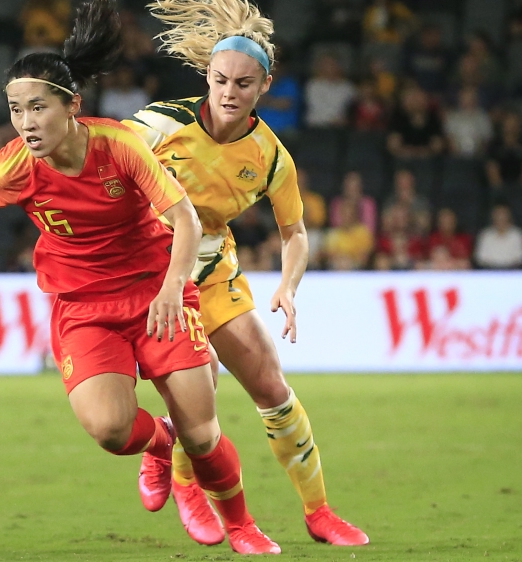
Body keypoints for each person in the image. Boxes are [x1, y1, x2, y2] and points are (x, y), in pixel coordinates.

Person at [0, 0, 277, 554]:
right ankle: (159, 447)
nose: (27, 123)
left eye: (38, 108)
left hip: (157, 293)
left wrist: (175, 287)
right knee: (109, 430)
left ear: (71, 105)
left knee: (203, 433)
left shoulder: (120, 147)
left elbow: (182, 218)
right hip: (83, 306)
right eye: (15, 110)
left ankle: (243, 527)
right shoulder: (16, 164)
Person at [125, 0, 369, 547]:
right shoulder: (160, 124)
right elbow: (105, 165)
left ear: (265, 86)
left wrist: (287, 285)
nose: (229, 92)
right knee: (201, 388)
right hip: (150, 276)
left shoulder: (271, 156)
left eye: (243, 82)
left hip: (213, 273)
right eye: (219, 79)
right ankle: (187, 479)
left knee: (272, 389)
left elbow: (295, 232)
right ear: (206, 76)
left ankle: (319, 513)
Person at [474, 204, 522, 269]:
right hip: (490, 272)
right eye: (498, 215)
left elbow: (521, 257)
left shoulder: (517, 234)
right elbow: (480, 258)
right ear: (493, 216)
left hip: (512, 272)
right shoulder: (485, 235)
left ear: (509, 216)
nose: (501, 217)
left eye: (504, 214)